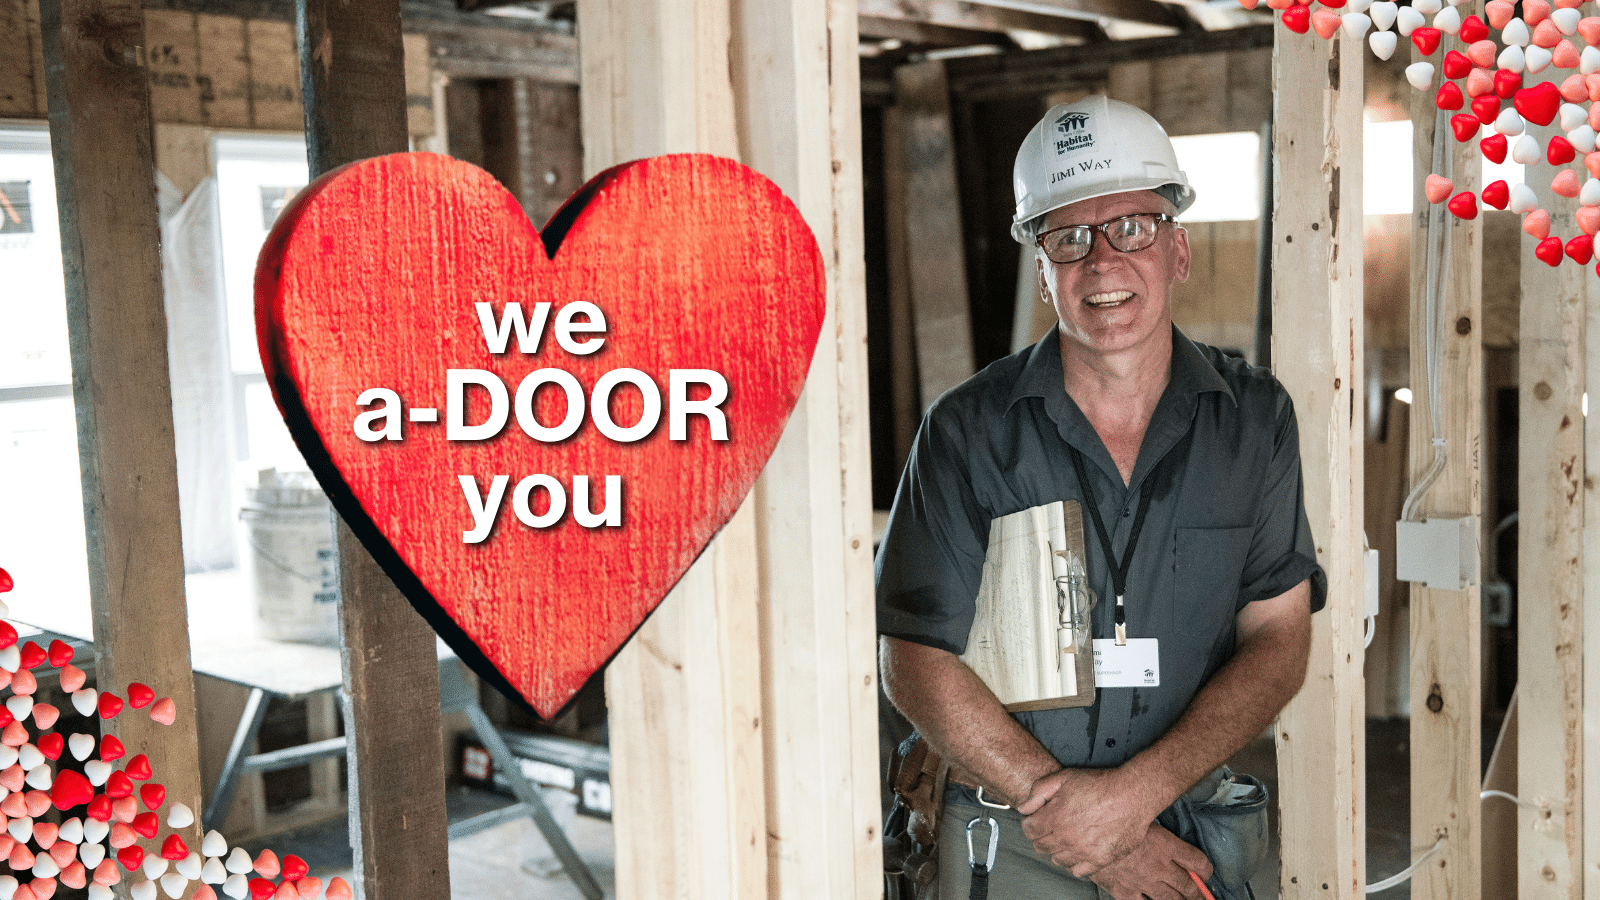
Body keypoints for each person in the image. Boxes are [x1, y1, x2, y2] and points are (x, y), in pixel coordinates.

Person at [875, 95, 1327, 900]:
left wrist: (1132, 798)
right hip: (1006, 836)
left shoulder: (1253, 422)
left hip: (1188, 826)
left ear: (1178, 250)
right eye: (1070, 238)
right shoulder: (968, 433)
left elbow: (1279, 638)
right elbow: (913, 659)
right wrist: (1089, 828)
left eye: (1133, 227)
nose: (1103, 262)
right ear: (1043, 272)